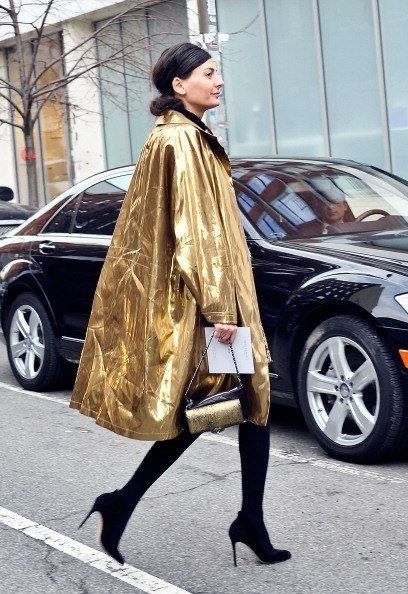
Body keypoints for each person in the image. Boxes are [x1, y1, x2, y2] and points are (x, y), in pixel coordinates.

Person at [70, 42, 291, 567]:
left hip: (221, 298)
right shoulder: (184, 141)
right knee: (223, 407)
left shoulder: (183, 136)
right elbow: (194, 233)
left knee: (248, 403)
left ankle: (247, 519)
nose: (219, 82)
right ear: (179, 85)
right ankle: (125, 502)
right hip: (214, 305)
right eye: (209, 73)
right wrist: (220, 310)